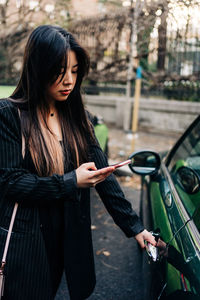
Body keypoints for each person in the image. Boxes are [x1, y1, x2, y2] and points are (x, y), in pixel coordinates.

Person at [0, 25, 155, 300]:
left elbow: (105, 176)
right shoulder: (10, 115)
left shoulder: (78, 118)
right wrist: (71, 181)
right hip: (26, 240)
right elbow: (11, 182)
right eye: (60, 70)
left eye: (74, 71)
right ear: (39, 68)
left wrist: (135, 227)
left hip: (67, 238)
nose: (69, 80)